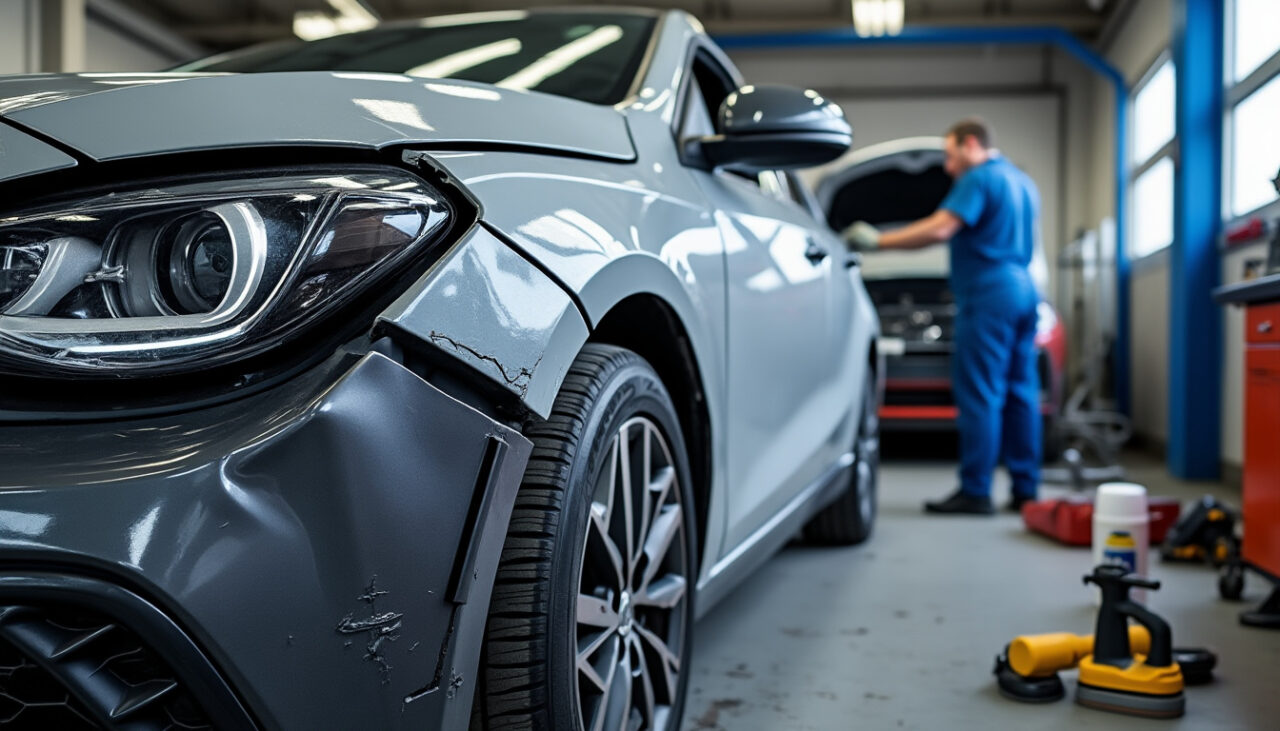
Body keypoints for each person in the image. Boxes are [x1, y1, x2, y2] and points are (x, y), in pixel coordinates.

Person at [844, 118, 1042, 515]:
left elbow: (940, 229)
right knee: (1021, 393)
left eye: (951, 157)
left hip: (989, 293)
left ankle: (976, 491)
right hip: (1024, 288)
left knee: (981, 393)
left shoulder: (978, 179)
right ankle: (1025, 489)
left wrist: (878, 241)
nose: (948, 168)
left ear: (971, 144)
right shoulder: (1022, 182)